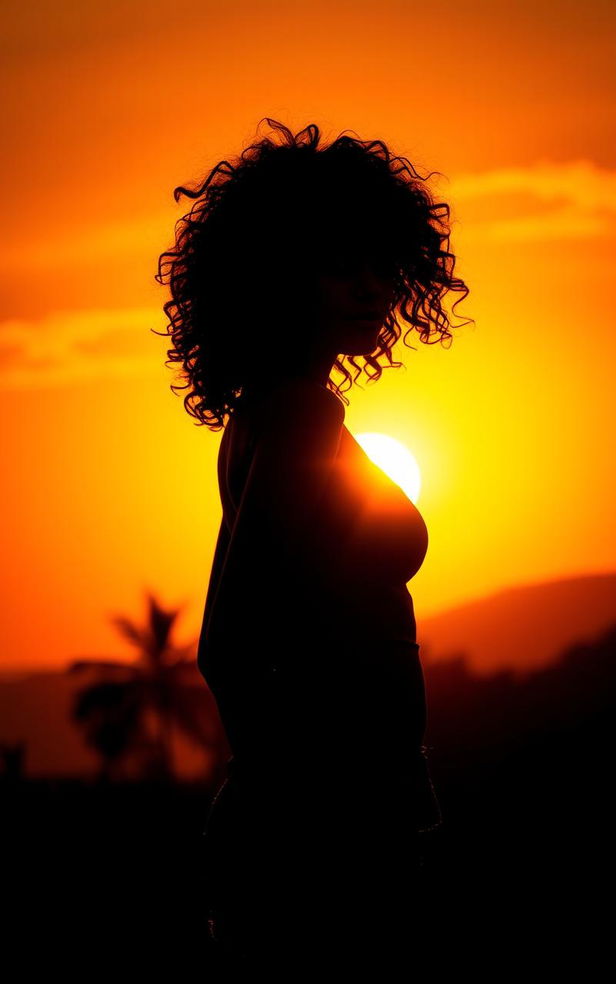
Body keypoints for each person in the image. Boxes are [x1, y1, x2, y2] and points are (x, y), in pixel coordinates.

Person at [155, 118, 472, 975]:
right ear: (278, 278)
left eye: (382, 264)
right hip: (329, 840)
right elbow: (229, 640)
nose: (371, 287)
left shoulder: (280, 409)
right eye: (341, 266)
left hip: (325, 823)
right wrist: (315, 801)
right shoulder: (298, 417)